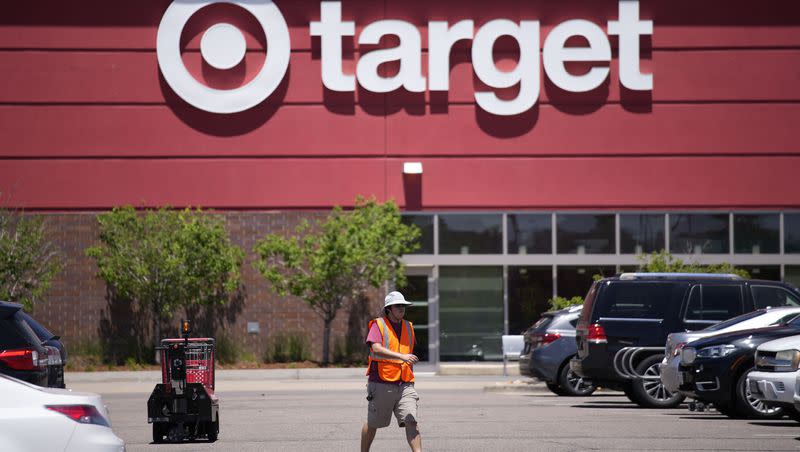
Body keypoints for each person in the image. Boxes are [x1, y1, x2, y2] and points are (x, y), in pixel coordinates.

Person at [360, 291, 421, 452]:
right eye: (398, 306)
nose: (402, 309)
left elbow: (408, 349)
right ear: (389, 309)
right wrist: (401, 356)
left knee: (411, 420)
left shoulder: (409, 326)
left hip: (405, 384)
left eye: (403, 306)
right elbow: (376, 348)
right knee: (373, 424)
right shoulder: (378, 325)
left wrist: (408, 359)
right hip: (381, 382)